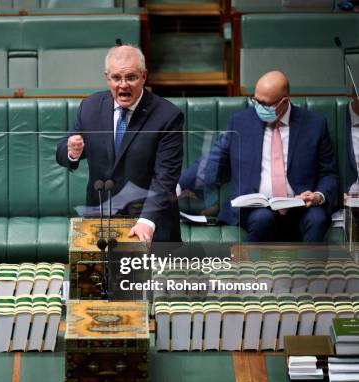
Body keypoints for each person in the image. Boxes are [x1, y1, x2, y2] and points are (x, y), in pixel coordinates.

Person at [56, 45, 184, 245]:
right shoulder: (90, 106)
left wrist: (147, 220)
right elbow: (64, 150)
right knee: (98, 278)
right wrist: (72, 151)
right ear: (107, 78)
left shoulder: (168, 116)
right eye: (116, 78)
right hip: (101, 224)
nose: (123, 85)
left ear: (144, 76)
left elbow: (166, 176)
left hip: (149, 225)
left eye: (131, 77)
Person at [200, 70, 338, 242]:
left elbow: (329, 174)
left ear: (284, 101)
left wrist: (318, 195)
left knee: (317, 219)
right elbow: (214, 159)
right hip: (255, 209)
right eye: (255, 100)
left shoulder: (315, 124)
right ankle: (250, 269)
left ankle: (308, 269)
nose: (258, 107)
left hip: (301, 207)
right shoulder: (241, 121)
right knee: (261, 219)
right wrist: (178, 185)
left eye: (264, 104)